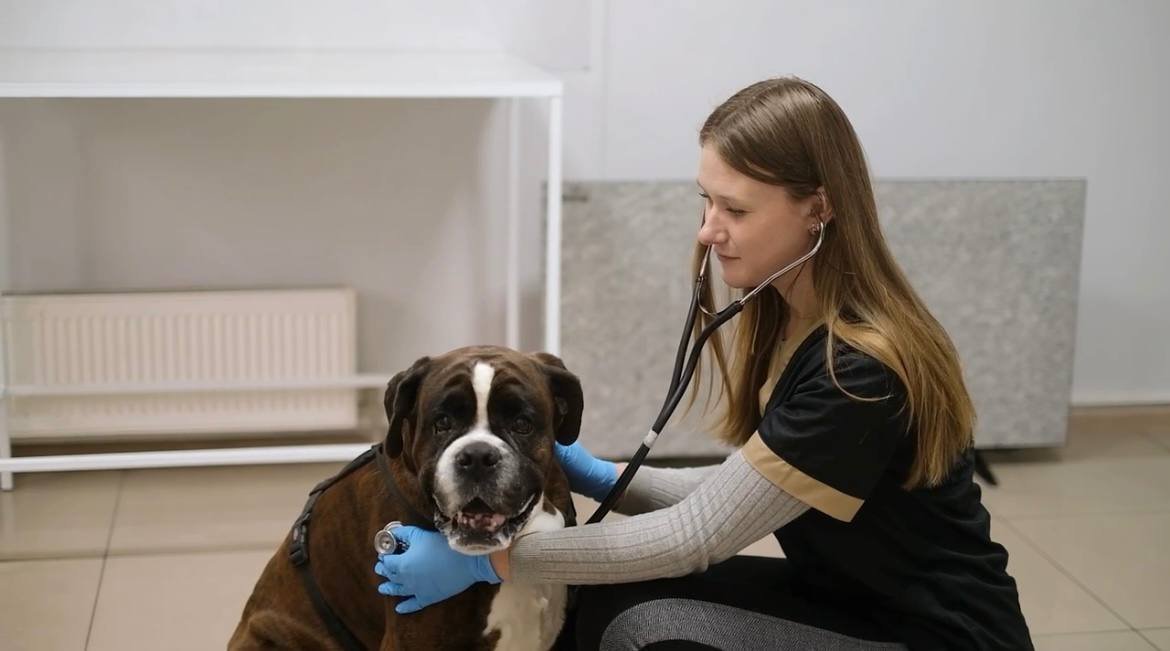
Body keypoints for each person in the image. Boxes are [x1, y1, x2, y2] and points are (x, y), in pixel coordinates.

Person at [374, 76, 1032, 650]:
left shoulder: (857, 372)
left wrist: (490, 562)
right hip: (850, 596)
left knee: (643, 628)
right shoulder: (793, 322)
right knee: (599, 596)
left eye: (735, 209)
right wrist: (599, 475)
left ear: (820, 208)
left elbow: (695, 535)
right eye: (707, 201)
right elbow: (736, 494)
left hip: (934, 635)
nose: (708, 230)